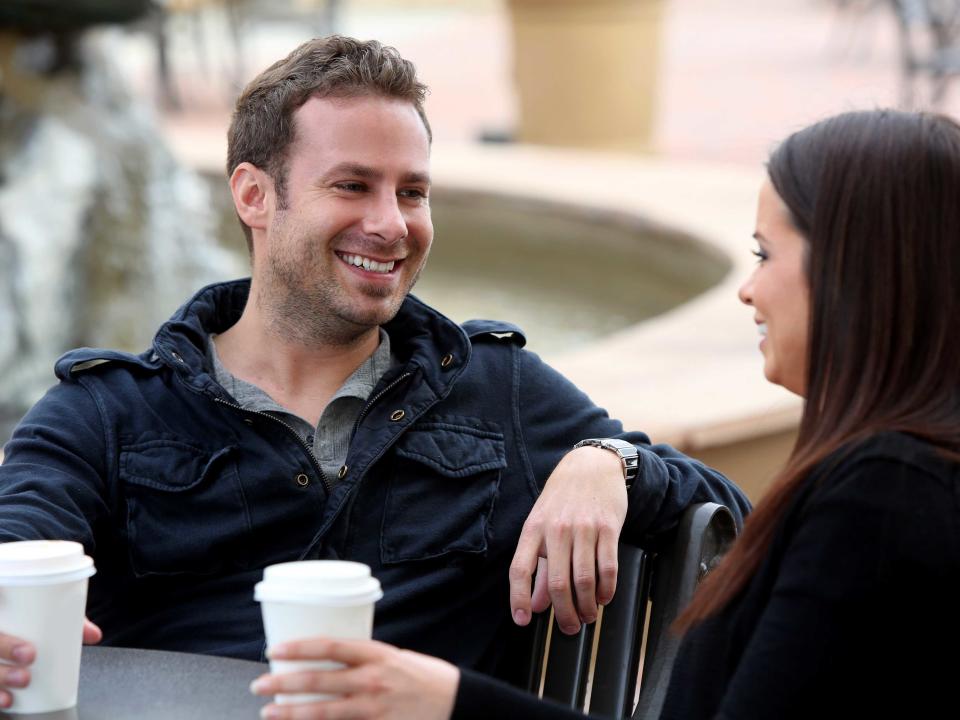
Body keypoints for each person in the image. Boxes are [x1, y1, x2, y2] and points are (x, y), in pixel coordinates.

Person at [0, 36, 748, 709]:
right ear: (254, 195)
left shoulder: (496, 390)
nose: (393, 224)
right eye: (353, 186)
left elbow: (734, 523)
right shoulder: (107, 412)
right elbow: (17, 540)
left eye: (412, 192)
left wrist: (609, 462)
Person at [247, 108, 960, 719]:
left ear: (857, 269)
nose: (747, 290)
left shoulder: (881, 498)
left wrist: (450, 700)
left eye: (765, 253)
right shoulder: (896, 479)